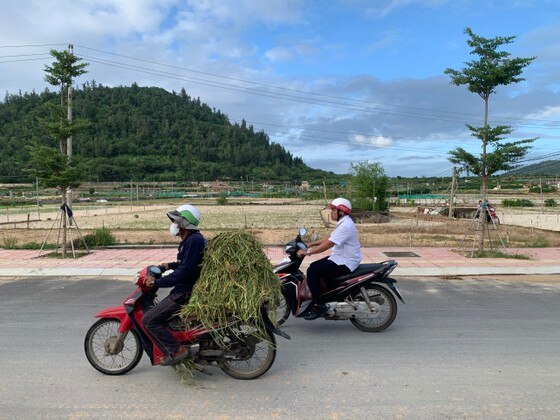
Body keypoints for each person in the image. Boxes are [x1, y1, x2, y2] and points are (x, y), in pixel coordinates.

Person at [142, 204, 206, 365]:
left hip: (184, 293)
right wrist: (168, 266)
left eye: (176, 221)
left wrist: (158, 282)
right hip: (185, 289)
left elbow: (184, 271)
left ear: (184, 223)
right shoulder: (190, 240)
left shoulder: (193, 240)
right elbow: (185, 264)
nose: (173, 225)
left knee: (149, 320)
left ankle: (177, 350)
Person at [297, 197, 361, 320]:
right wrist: (312, 244)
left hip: (346, 262)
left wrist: (307, 252)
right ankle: (326, 296)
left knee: (312, 271)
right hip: (340, 258)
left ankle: (318, 305)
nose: (331, 212)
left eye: (333, 210)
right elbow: (329, 238)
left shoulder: (345, 226)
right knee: (313, 267)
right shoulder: (344, 222)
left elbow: (328, 245)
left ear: (341, 212)